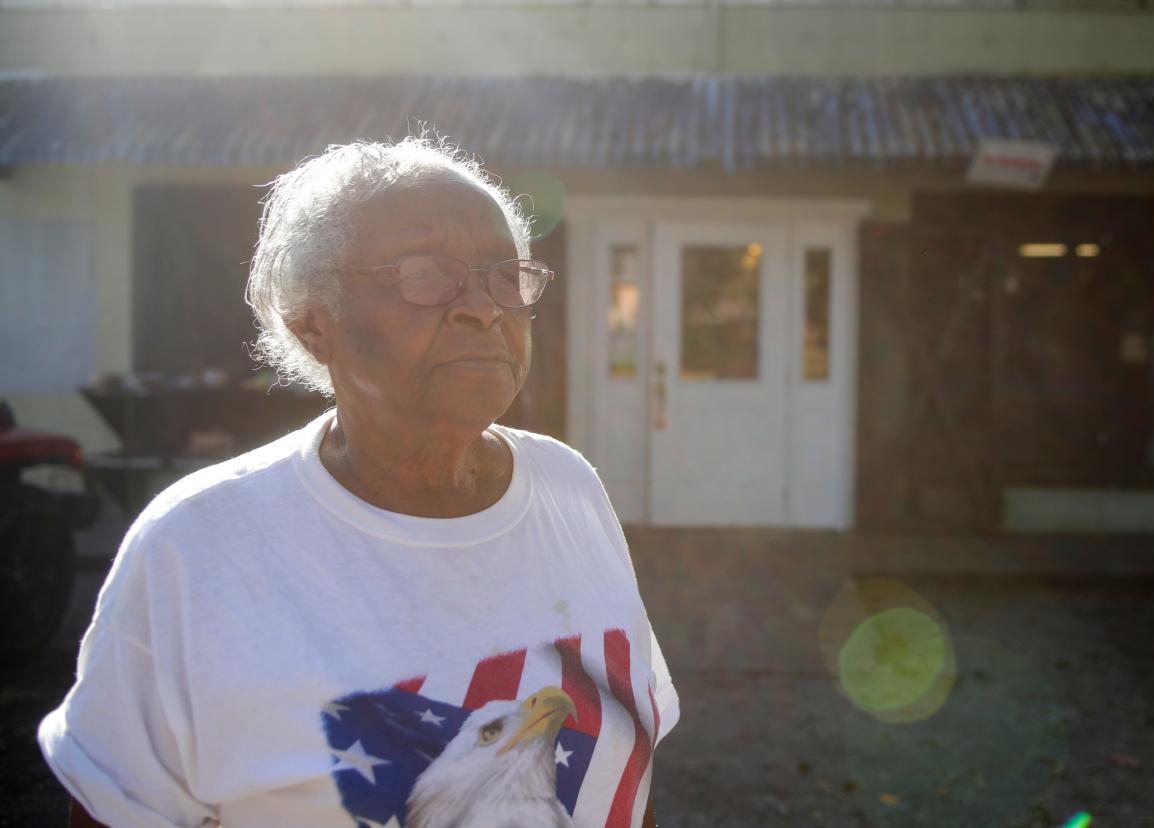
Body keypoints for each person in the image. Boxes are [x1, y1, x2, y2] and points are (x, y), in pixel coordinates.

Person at [39, 137, 678, 828]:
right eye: (427, 274)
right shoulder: (198, 547)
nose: (485, 308)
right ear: (315, 324)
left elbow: (627, 763)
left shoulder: (568, 489)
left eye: (503, 275)